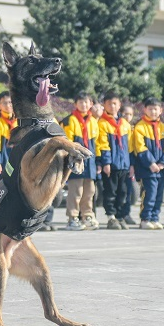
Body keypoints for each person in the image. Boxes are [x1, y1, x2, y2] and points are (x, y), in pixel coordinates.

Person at [61, 92, 101, 230]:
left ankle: (87, 215)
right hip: (76, 160)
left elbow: (99, 143)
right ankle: (72, 218)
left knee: (89, 191)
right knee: (75, 191)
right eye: (81, 102)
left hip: (90, 162)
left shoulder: (94, 122)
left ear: (91, 104)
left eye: (87, 102)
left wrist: (99, 162)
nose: (84, 105)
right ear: (75, 104)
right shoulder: (69, 120)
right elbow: (67, 143)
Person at [132, 97, 164, 230]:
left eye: (156, 109)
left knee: (159, 195)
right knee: (149, 194)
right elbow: (140, 147)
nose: (153, 111)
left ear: (161, 110)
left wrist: (163, 163)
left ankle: (155, 217)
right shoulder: (140, 127)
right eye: (150, 109)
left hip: (161, 169)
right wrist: (151, 163)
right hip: (146, 169)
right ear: (145, 110)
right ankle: (145, 218)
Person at [98, 91, 132, 230]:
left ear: (119, 105)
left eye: (115, 103)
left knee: (123, 191)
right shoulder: (102, 123)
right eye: (109, 103)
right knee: (110, 191)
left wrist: (131, 164)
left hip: (124, 164)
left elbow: (129, 145)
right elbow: (102, 144)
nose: (112, 106)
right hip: (111, 165)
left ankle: (120, 216)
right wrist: (106, 162)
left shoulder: (125, 124)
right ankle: (111, 217)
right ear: (104, 105)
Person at [0, 91, 15, 188]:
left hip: (16, 159)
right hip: (3, 160)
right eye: (4, 103)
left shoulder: (19, 121)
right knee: (0, 189)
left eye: (10, 102)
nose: (8, 105)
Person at [121, 104, 138, 226]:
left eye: (130, 114)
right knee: (120, 191)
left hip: (128, 163)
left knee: (128, 191)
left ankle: (126, 214)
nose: (128, 116)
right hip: (119, 164)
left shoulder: (132, 129)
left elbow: (132, 150)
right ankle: (119, 215)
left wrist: (132, 165)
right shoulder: (119, 127)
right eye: (125, 114)